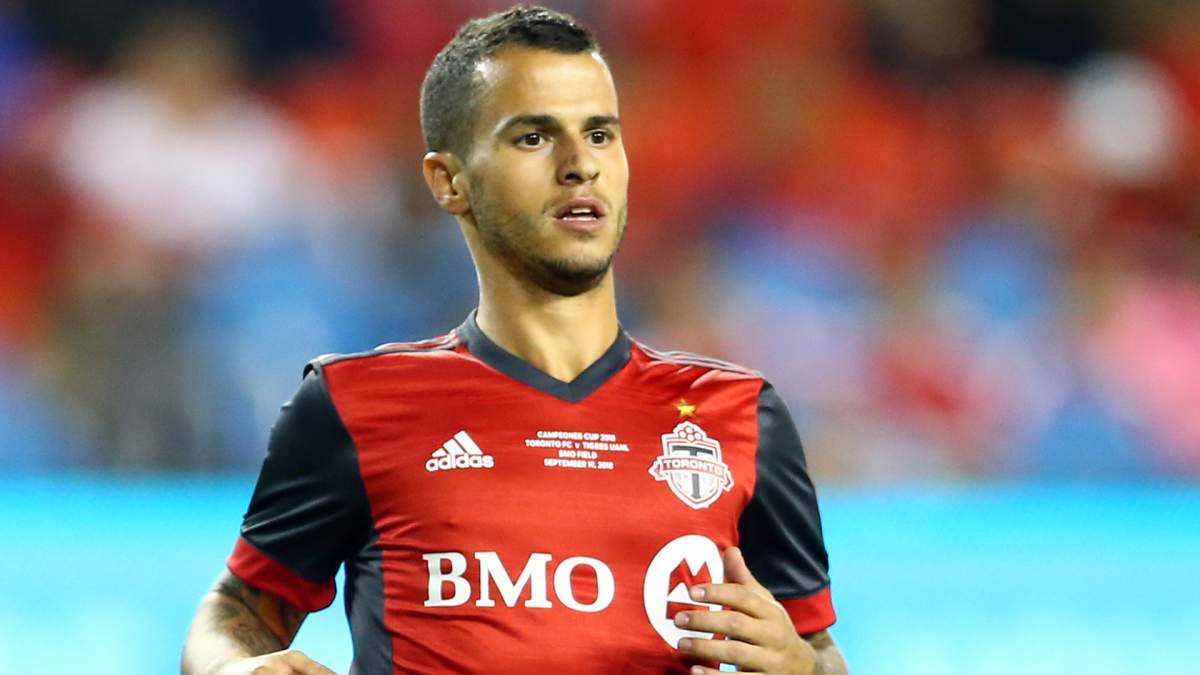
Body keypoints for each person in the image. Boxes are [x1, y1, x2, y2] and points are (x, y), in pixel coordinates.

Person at [181, 6, 847, 674]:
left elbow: (818, 651)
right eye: (533, 137)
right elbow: (238, 611)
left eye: (600, 134)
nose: (580, 165)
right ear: (450, 182)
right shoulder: (353, 404)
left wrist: (799, 665)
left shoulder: (740, 415)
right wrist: (234, 668)